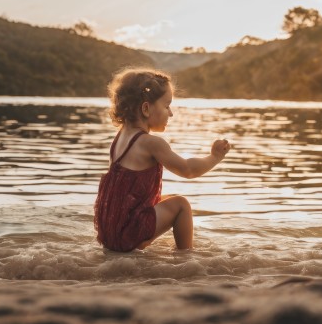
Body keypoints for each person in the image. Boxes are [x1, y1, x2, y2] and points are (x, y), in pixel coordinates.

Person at [94, 68, 230, 252]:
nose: (171, 113)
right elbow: (188, 169)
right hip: (128, 233)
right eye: (167, 106)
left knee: (164, 200)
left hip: (111, 228)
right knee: (181, 205)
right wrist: (215, 157)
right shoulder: (150, 143)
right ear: (146, 108)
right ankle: (186, 258)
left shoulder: (120, 137)